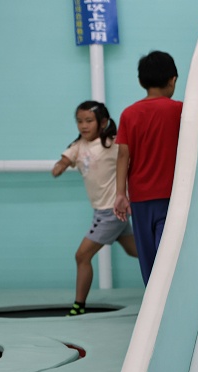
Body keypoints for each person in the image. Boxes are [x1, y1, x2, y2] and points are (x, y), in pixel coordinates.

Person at [52, 101, 138, 316]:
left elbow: (129, 154)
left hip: (111, 211)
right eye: (79, 121)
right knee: (136, 250)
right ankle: (168, 265)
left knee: (82, 256)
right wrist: (60, 166)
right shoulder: (78, 146)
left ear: (103, 123)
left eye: (88, 121)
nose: (83, 125)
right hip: (103, 212)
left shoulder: (111, 143)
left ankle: (79, 306)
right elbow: (64, 160)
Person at [112, 51, 183, 285]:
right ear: (173, 80)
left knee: (149, 258)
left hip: (140, 199)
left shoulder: (129, 114)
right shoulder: (181, 111)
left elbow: (123, 154)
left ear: (141, 81)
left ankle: (152, 311)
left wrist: (120, 194)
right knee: (171, 256)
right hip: (173, 195)